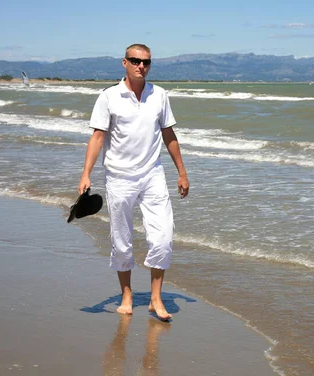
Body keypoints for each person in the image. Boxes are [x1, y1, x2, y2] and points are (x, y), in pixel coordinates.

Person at [78, 43, 189, 321]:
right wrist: (86, 173)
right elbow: (98, 137)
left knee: (163, 237)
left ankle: (155, 299)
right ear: (124, 63)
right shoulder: (108, 97)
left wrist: (182, 172)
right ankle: (127, 295)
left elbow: (169, 134)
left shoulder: (160, 95)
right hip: (119, 177)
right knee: (122, 239)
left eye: (146, 62)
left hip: (153, 175)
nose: (141, 66)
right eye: (135, 61)